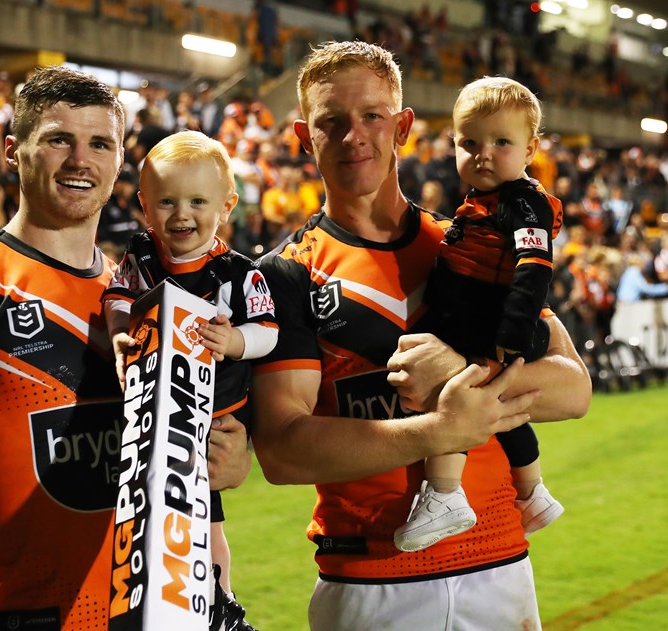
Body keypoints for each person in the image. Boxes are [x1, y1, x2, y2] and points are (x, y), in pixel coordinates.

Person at [0, 67, 252, 631]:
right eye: (59, 139)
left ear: (119, 163)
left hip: (171, 615)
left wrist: (226, 456)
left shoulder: (151, 296)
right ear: (13, 150)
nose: (82, 160)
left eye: (99, 143)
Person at [250, 41, 591, 631]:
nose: (354, 136)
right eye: (332, 122)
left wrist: (463, 367)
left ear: (403, 126)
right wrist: (439, 429)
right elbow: (282, 450)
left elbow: (571, 390)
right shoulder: (284, 271)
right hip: (372, 579)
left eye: (372, 116)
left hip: (501, 566)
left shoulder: (466, 241)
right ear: (305, 136)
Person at [104, 130, 276, 631]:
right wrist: (119, 333)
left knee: (207, 518)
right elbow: (115, 297)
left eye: (198, 201)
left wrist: (236, 341)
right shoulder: (140, 257)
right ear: (144, 206)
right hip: (150, 413)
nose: (182, 214)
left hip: (213, 416)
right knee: (154, 515)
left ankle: (221, 601)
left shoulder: (239, 273)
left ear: (226, 205)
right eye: (167, 201)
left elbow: (268, 332)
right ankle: (159, 600)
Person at [393, 76, 566, 553]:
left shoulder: (523, 202)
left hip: (496, 322)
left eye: (501, 142)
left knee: (448, 385)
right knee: (504, 413)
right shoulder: (480, 202)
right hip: (481, 315)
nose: (483, 153)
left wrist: (512, 332)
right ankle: (533, 493)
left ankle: (446, 494)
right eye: (470, 142)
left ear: (530, 150)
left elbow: (534, 271)